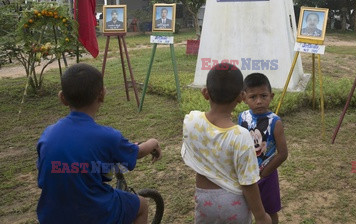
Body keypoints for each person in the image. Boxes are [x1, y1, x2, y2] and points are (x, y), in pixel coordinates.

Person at [36, 63, 161, 224]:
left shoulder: (47, 134)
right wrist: (153, 142)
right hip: (92, 213)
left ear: (62, 98)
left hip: (52, 214)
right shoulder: (108, 136)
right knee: (142, 205)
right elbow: (138, 152)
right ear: (102, 95)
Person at [181, 63, 272, 224]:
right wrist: (261, 216)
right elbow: (248, 183)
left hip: (204, 199)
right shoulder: (241, 136)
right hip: (234, 202)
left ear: (205, 93)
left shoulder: (191, 121)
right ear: (241, 97)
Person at [238, 73, 288, 224]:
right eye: (253, 97)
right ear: (244, 97)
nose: (259, 101)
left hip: (267, 176)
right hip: (246, 174)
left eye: (263, 96)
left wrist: (265, 172)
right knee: (245, 207)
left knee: (270, 211)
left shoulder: (275, 122)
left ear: (271, 96)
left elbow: (283, 153)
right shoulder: (242, 117)